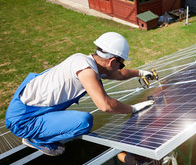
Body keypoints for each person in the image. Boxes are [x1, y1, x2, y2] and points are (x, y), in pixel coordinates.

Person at [5, 32, 155, 157]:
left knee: (81, 119)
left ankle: (37, 132)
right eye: (121, 63)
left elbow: (119, 75)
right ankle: (35, 139)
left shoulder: (85, 61)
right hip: (24, 120)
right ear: (112, 61)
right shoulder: (87, 71)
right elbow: (105, 105)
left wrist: (140, 73)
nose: (121, 67)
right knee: (84, 122)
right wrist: (132, 109)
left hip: (25, 108)